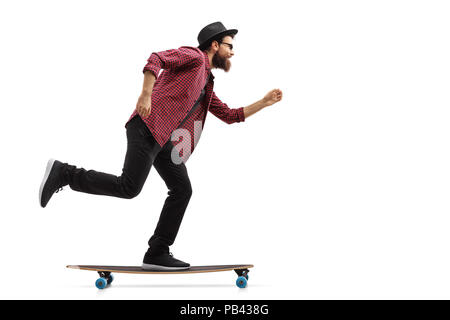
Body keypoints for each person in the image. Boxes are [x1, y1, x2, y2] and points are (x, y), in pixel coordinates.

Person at [39, 21, 283, 270]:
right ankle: (65, 173)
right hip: (147, 126)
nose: (233, 52)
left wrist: (263, 102)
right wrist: (146, 94)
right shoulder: (194, 57)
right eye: (230, 46)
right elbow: (156, 58)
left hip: (164, 139)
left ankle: (157, 252)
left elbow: (230, 115)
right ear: (214, 44)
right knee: (129, 188)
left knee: (182, 189)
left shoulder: (206, 83)